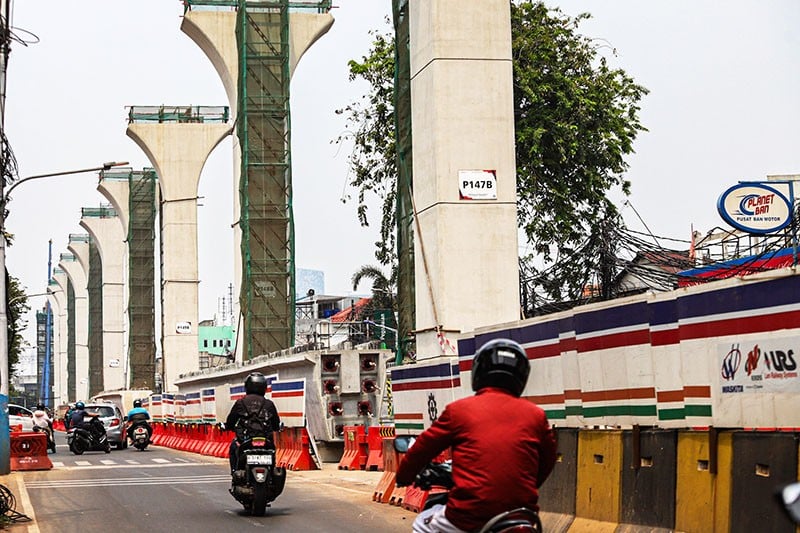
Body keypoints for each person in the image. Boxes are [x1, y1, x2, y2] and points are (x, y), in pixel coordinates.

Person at [395, 338, 558, 533]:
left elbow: (422, 449)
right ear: (521, 376)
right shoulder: (537, 415)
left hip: (468, 516)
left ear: (478, 372)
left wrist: (404, 476)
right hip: (521, 517)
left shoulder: (460, 410)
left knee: (423, 523)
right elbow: (546, 463)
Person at [225, 372, 280, 472]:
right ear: (264, 387)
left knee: (233, 447)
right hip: (266, 441)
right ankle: (271, 472)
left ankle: (234, 472)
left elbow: (230, 420)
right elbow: (276, 424)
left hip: (245, 440)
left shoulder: (240, 403)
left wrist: (228, 427)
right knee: (272, 453)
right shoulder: (269, 404)